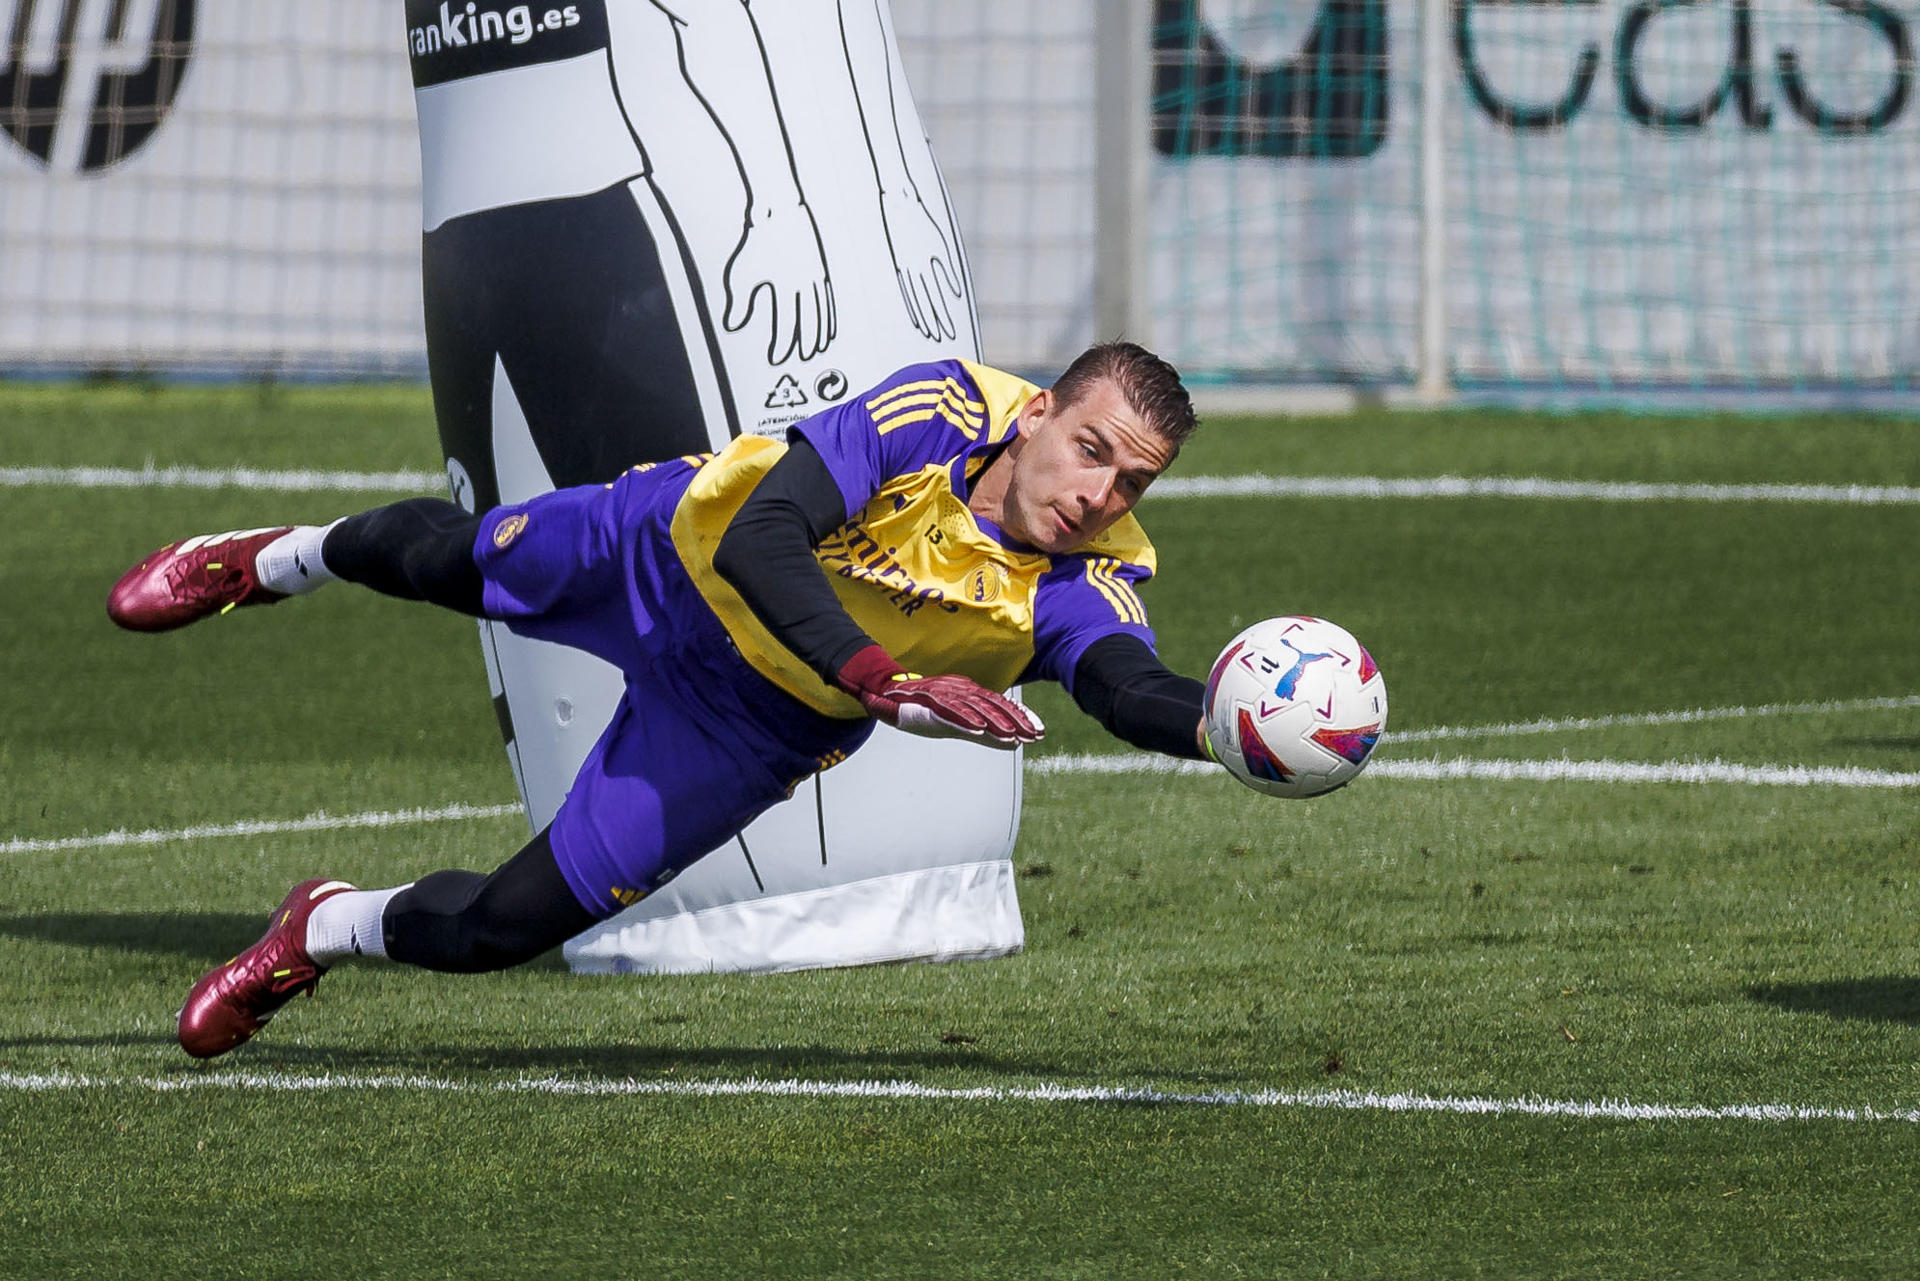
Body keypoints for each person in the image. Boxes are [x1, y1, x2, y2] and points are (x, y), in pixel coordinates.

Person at [108, 341, 1214, 1059]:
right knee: (444, 560)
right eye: (1090, 451)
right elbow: (762, 533)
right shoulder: (943, 406)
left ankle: (322, 927)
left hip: (748, 726)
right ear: (1037, 418)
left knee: (506, 930)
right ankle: (272, 559)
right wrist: (877, 679)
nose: (1097, 494)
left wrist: (1222, 727)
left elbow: (1122, 683)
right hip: (668, 552)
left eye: (1131, 482)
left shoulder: (1095, 574)